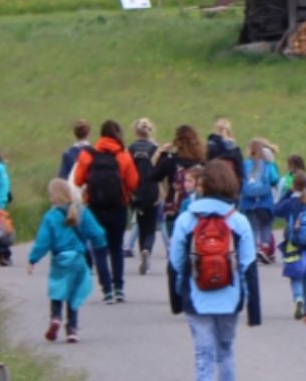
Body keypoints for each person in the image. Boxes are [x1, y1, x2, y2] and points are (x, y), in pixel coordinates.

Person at [168, 159, 259, 381]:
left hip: (197, 299)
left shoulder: (187, 219)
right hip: (229, 298)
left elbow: (175, 263)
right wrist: (253, 309)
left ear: (203, 185)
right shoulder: (238, 221)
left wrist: (177, 299)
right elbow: (248, 266)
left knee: (203, 359)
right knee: (226, 353)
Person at [27, 179, 106, 343]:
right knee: (73, 294)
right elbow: (98, 233)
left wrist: (33, 259)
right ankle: (72, 329)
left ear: (52, 196)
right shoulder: (82, 212)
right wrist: (100, 248)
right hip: (78, 259)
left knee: (57, 289)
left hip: (60, 259)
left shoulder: (50, 217)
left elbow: (43, 241)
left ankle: (56, 317)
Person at [72, 121, 140, 303]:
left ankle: (107, 290)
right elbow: (133, 183)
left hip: (95, 208)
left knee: (99, 249)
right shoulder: (123, 156)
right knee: (116, 248)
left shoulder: (88, 155)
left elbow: (78, 181)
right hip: (118, 207)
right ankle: (119, 288)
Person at [274, 171, 306, 317]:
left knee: (295, 275)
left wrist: (287, 193)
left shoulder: (290, 203)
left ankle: (298, 298)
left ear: (293, 186)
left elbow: (276, 210)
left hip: (293, 244)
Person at [151, 124, 207, 236]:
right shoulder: (203, 161)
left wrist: (160, 153)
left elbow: (154, 176)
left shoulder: (170, 160)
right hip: (198, 207)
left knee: (175, 241)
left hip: (174, 208)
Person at [127, 119, 163, 275]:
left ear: (136, 132)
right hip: (152, 191)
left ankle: (142, 248)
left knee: (140, 224)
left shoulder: (131, 149)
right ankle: (147, 249)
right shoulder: (155, 149)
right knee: (151, 226)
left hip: (136, 192)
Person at [240, 138, 281, 265]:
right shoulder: (267, 164)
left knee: (253, 227)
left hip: (248, 202)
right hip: (265, 201)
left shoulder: (245, 165)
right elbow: (274, 179)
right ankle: (264, 247)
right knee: (266, 224)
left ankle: (253, 250)